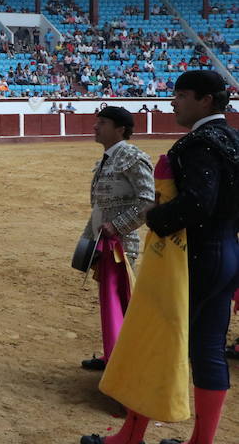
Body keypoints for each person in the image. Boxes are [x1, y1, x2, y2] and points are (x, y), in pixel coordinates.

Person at [81, 70, 239, 444]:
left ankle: (129, 437)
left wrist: (155, 216)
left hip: (191, 260)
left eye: (181, 95)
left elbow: (198, 203)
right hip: (228, 252)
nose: (173, 102)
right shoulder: (234, 140)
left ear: (204, 100)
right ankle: (201, 441)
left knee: (153, 341)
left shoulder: (200, 143)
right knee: (209, 349)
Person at [78, 107, 154, 372]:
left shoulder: (132, 157)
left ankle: (126, 366)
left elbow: (148, 200)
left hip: (123, 245)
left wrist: (117, 226)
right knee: (111, 304)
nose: (95, 127)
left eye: (103, 122)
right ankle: (114, 355)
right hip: (106, 244)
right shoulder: (107, 159)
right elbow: (100, 207)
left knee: (121, 303)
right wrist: (89, 243)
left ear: (120, 129)